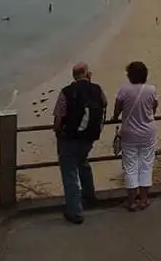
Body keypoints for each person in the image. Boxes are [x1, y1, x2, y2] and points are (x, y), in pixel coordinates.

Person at [53, 62, 107, 224]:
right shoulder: (97, 89)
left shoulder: (66, 92)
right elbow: (104, 103)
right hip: (89, 137)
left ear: (74, 76)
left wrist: (58, 134)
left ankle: (75, 212)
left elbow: (58, 118)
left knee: (69, 173)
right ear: (86, 73)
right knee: (82, 162)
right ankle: (89, 197)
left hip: (70, 138)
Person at [113, 61, 159, 210]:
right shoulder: (151, 89)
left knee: (130, 167)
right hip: (148, 133)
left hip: (130, 133)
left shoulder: (124, 90)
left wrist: (115, 118)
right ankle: (144, 199)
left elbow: (117, 108)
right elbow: (154, 107)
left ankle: (131, 201)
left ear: (130, 75)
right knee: (146, 165)